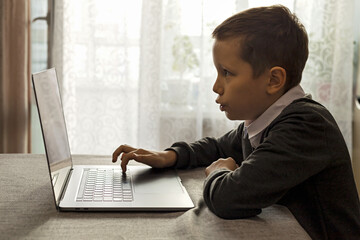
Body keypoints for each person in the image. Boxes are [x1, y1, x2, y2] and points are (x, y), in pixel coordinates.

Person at [112, 5, 360, 240]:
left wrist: (219, 171)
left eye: (227, 73)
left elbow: (228, 199)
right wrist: (170, 156)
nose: (216, 86)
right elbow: (218, 147)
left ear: (273, 80)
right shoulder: (266, 120)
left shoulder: (306, 126)